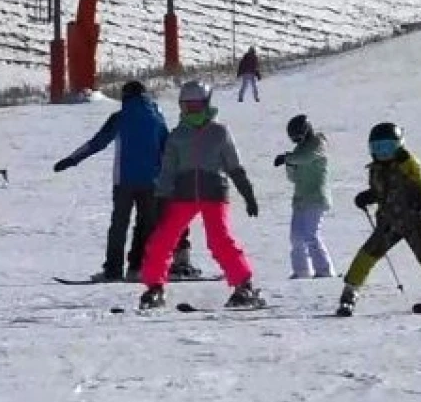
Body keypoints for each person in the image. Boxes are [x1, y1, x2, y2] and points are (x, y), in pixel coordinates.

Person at [53, 80, 195, 282]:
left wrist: (72, 159)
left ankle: (113, 270)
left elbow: (97, 143)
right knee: (144, 225)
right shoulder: (157, 117)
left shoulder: (120, 117)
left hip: (124, 182)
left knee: (119, 225)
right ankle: (136, 268)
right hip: (151, 182)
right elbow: (167, 149)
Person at [137, 81, 262, 309]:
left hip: (214, 192)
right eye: (187, 107)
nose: (191, 111)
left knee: (219, 239)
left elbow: (234, 166)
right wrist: (161, 200)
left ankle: (244, 286)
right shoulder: (177, 136)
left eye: (196, 106)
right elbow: (167, 171)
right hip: (183, 194)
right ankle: (154, 287)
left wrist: (248, 194)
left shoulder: (219, 133)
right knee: (162, 239)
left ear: (206, 105)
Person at [337, 122, 421, 315]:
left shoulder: (407, 165)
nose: (383, 153)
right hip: (388, 222)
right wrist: (369, 196)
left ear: (399, 146)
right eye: (377, 148)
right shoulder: (376, 169)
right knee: (366, 256)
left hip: (412, 220)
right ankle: (349, 294)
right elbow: (382, 192)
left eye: (388, 147)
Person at [274, 114, 336, 279]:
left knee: (311, 234)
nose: (297, 140)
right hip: (301, 199)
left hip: (316, 197)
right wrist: (289, 165)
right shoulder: (298, 150)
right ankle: (301, 271)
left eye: (298, 136)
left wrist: (288, 158)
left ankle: (324, 270)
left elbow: (306, 158)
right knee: (296, 237)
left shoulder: (317, 144)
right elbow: (293, 178)